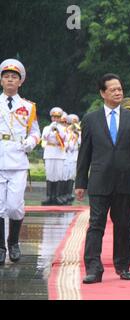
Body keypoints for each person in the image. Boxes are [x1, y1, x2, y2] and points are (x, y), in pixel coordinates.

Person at [75, 73, 130, 284]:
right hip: (99, 181)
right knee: (96, 225)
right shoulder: (91, 119)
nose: (118, 92)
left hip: (127, 180)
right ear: (103, 93)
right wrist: (80, 183)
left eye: (120, 89)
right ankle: (93, 268)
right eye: (113, 89)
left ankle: (123, 265)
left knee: (124, 225)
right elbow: (85, 152)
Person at [0, 58, 41, 265]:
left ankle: (13, 241)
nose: (9, 80)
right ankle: (1, 246)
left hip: (17, 159)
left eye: (13, 77)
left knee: (15, 206)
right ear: (1, 81)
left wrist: (30, 143)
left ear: (20, 82)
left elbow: (36, 133)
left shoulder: (28, 106)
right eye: (6, 77)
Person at [41, 107, 67, 205]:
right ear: (51, 118)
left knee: (58, 175)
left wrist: (58, 130)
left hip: (59, 153)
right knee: (49, 175)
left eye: (58, 117)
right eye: (54, 117)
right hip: (49, 152)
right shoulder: (46, 128)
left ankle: (57, 196)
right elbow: (44, 137)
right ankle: (49, 196)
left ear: (60, 118)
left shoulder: (63, 128)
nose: (56, 119)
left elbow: (64, 138)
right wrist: (51, 128)